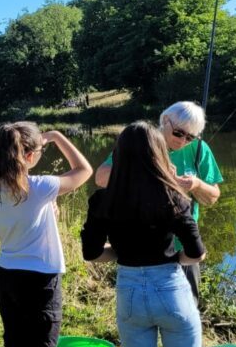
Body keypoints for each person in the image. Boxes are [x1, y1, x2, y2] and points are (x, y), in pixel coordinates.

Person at [82, 122, 212, 347]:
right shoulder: (175, 196)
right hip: (171, 290)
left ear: (119, 155)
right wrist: (167, 259)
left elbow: (92, 253)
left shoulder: (103, 200)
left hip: (130, 293)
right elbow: (196, 254)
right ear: (158, 153)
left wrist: (126, 254)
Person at [0, 122, 92, 347]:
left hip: (8, 276)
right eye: (40, 151)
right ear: (28, 154)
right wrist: (58, 137)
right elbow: (83, 170)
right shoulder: (39, 187)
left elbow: (34, 214)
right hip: (40, 281)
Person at [94, 101, 222, 301]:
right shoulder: (141, 142)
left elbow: (212, 198)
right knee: (141, 310)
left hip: (183, 247)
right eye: (179, 133)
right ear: (165, 120)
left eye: (190, 137)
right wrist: (156, 173)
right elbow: (101, 178)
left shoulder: (199, 149)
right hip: (143, 247)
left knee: (187, 309)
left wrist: (196, 185)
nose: (183, 141)